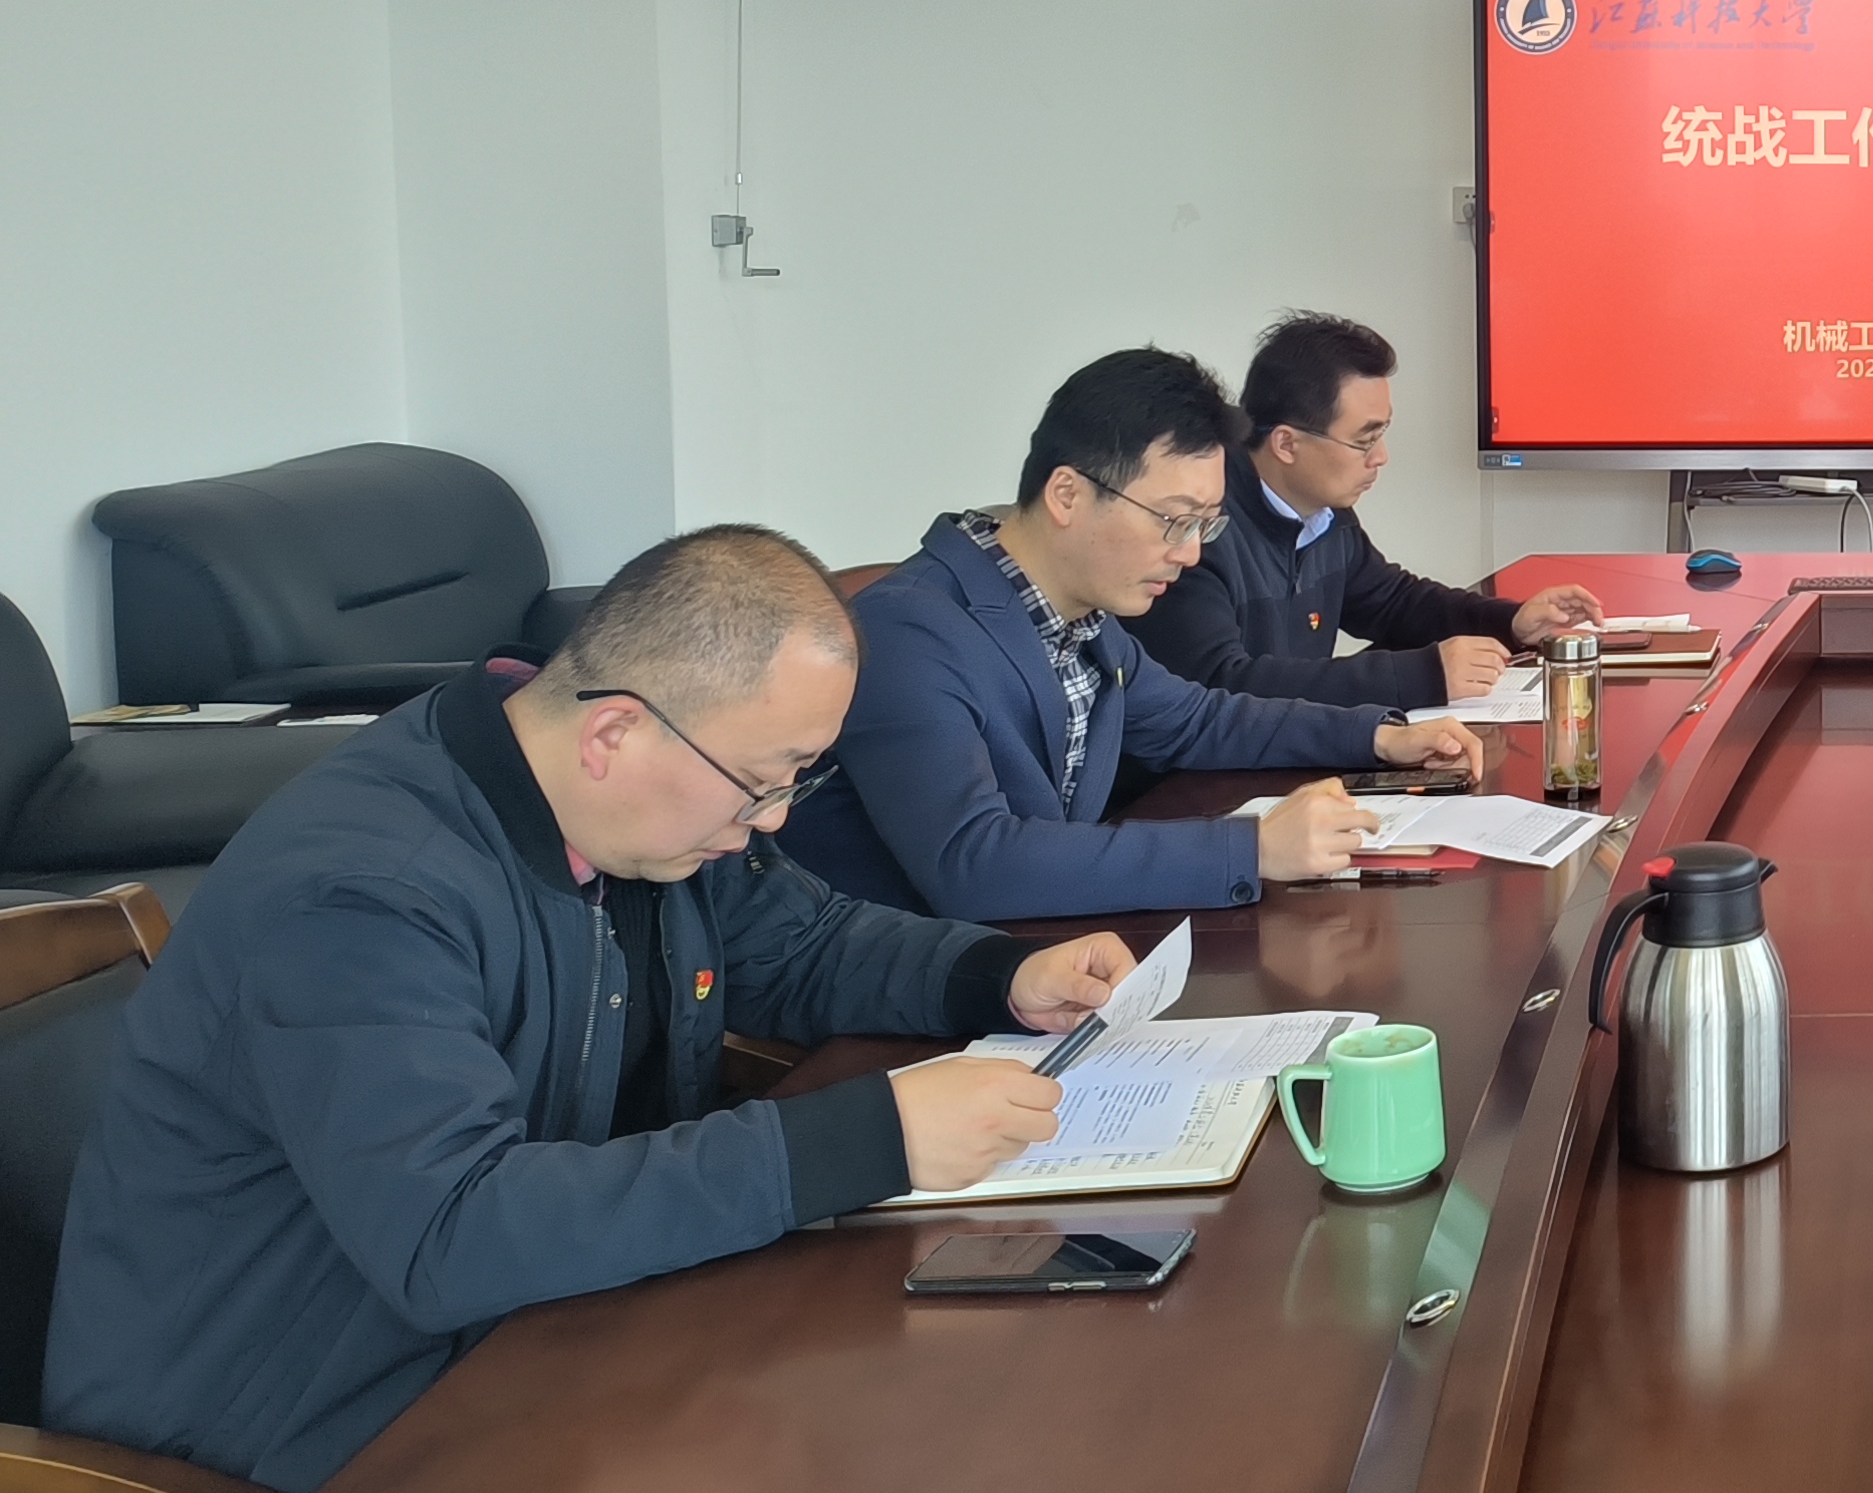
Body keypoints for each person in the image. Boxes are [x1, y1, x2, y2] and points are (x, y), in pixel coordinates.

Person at [46, 526, 1122, 1493]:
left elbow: (806, 942)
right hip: (304, 1415)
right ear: (614, 732)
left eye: (796, 778)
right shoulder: (361, 895)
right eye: (764, 782)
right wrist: (866, 1137)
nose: (772, 820)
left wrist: (997, 975)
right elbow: (453, 1232)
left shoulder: (639, 810)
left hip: (552, 1325)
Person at [782, 347, 1490, 921]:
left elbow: (1197, 720)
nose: (1191, 552)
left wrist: (1378, 736)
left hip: (1042, 953)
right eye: (1173, 520)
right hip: (909, 1000)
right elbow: (976, 863)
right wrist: (1248, 849)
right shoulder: (908, 632)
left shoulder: (1084, 619)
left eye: (1205, 524)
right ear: (1067, 494)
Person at [1129, 310, 1599, 708]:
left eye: (1381, 434)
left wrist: (1509, 621)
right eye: (1363, 440)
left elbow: (1393, 603)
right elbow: (1220, 683)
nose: (1380, 457)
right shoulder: (1198, 530)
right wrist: (1421, 675)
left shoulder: (1325, 516)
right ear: (1286, 444)